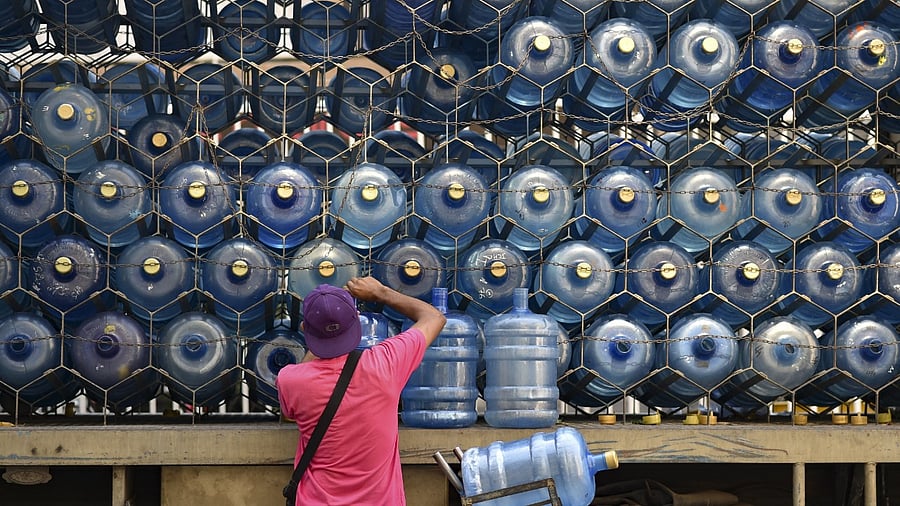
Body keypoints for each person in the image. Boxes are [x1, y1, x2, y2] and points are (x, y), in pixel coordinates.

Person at [276, 276, 447, 505]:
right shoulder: (386, 363)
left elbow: (289, 413)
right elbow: (434, 317)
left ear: (305, 328)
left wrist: (318, 336)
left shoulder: (290, 380)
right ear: (356, 319)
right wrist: (381, 292)